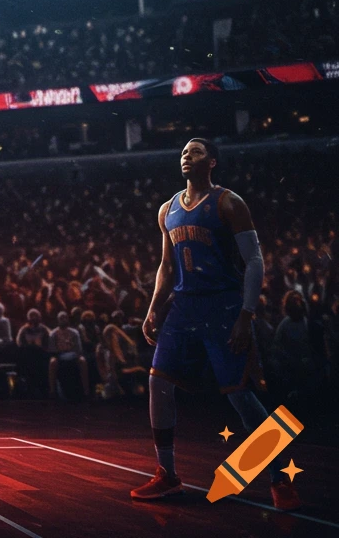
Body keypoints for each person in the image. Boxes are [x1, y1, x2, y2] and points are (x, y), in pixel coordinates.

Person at [131, 139, 301, 510]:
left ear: (212, 161)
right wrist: (153, 307)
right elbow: (166, 265)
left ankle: (279, 478)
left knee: (240, 395)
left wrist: (246, 313)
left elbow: (254, 260)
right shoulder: (167, 209)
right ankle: (167, 474)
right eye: (182, 152)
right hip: (184, 307)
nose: (186, 156)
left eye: (194, 151)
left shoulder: (228, 203)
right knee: (157, 382)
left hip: (223, 307)